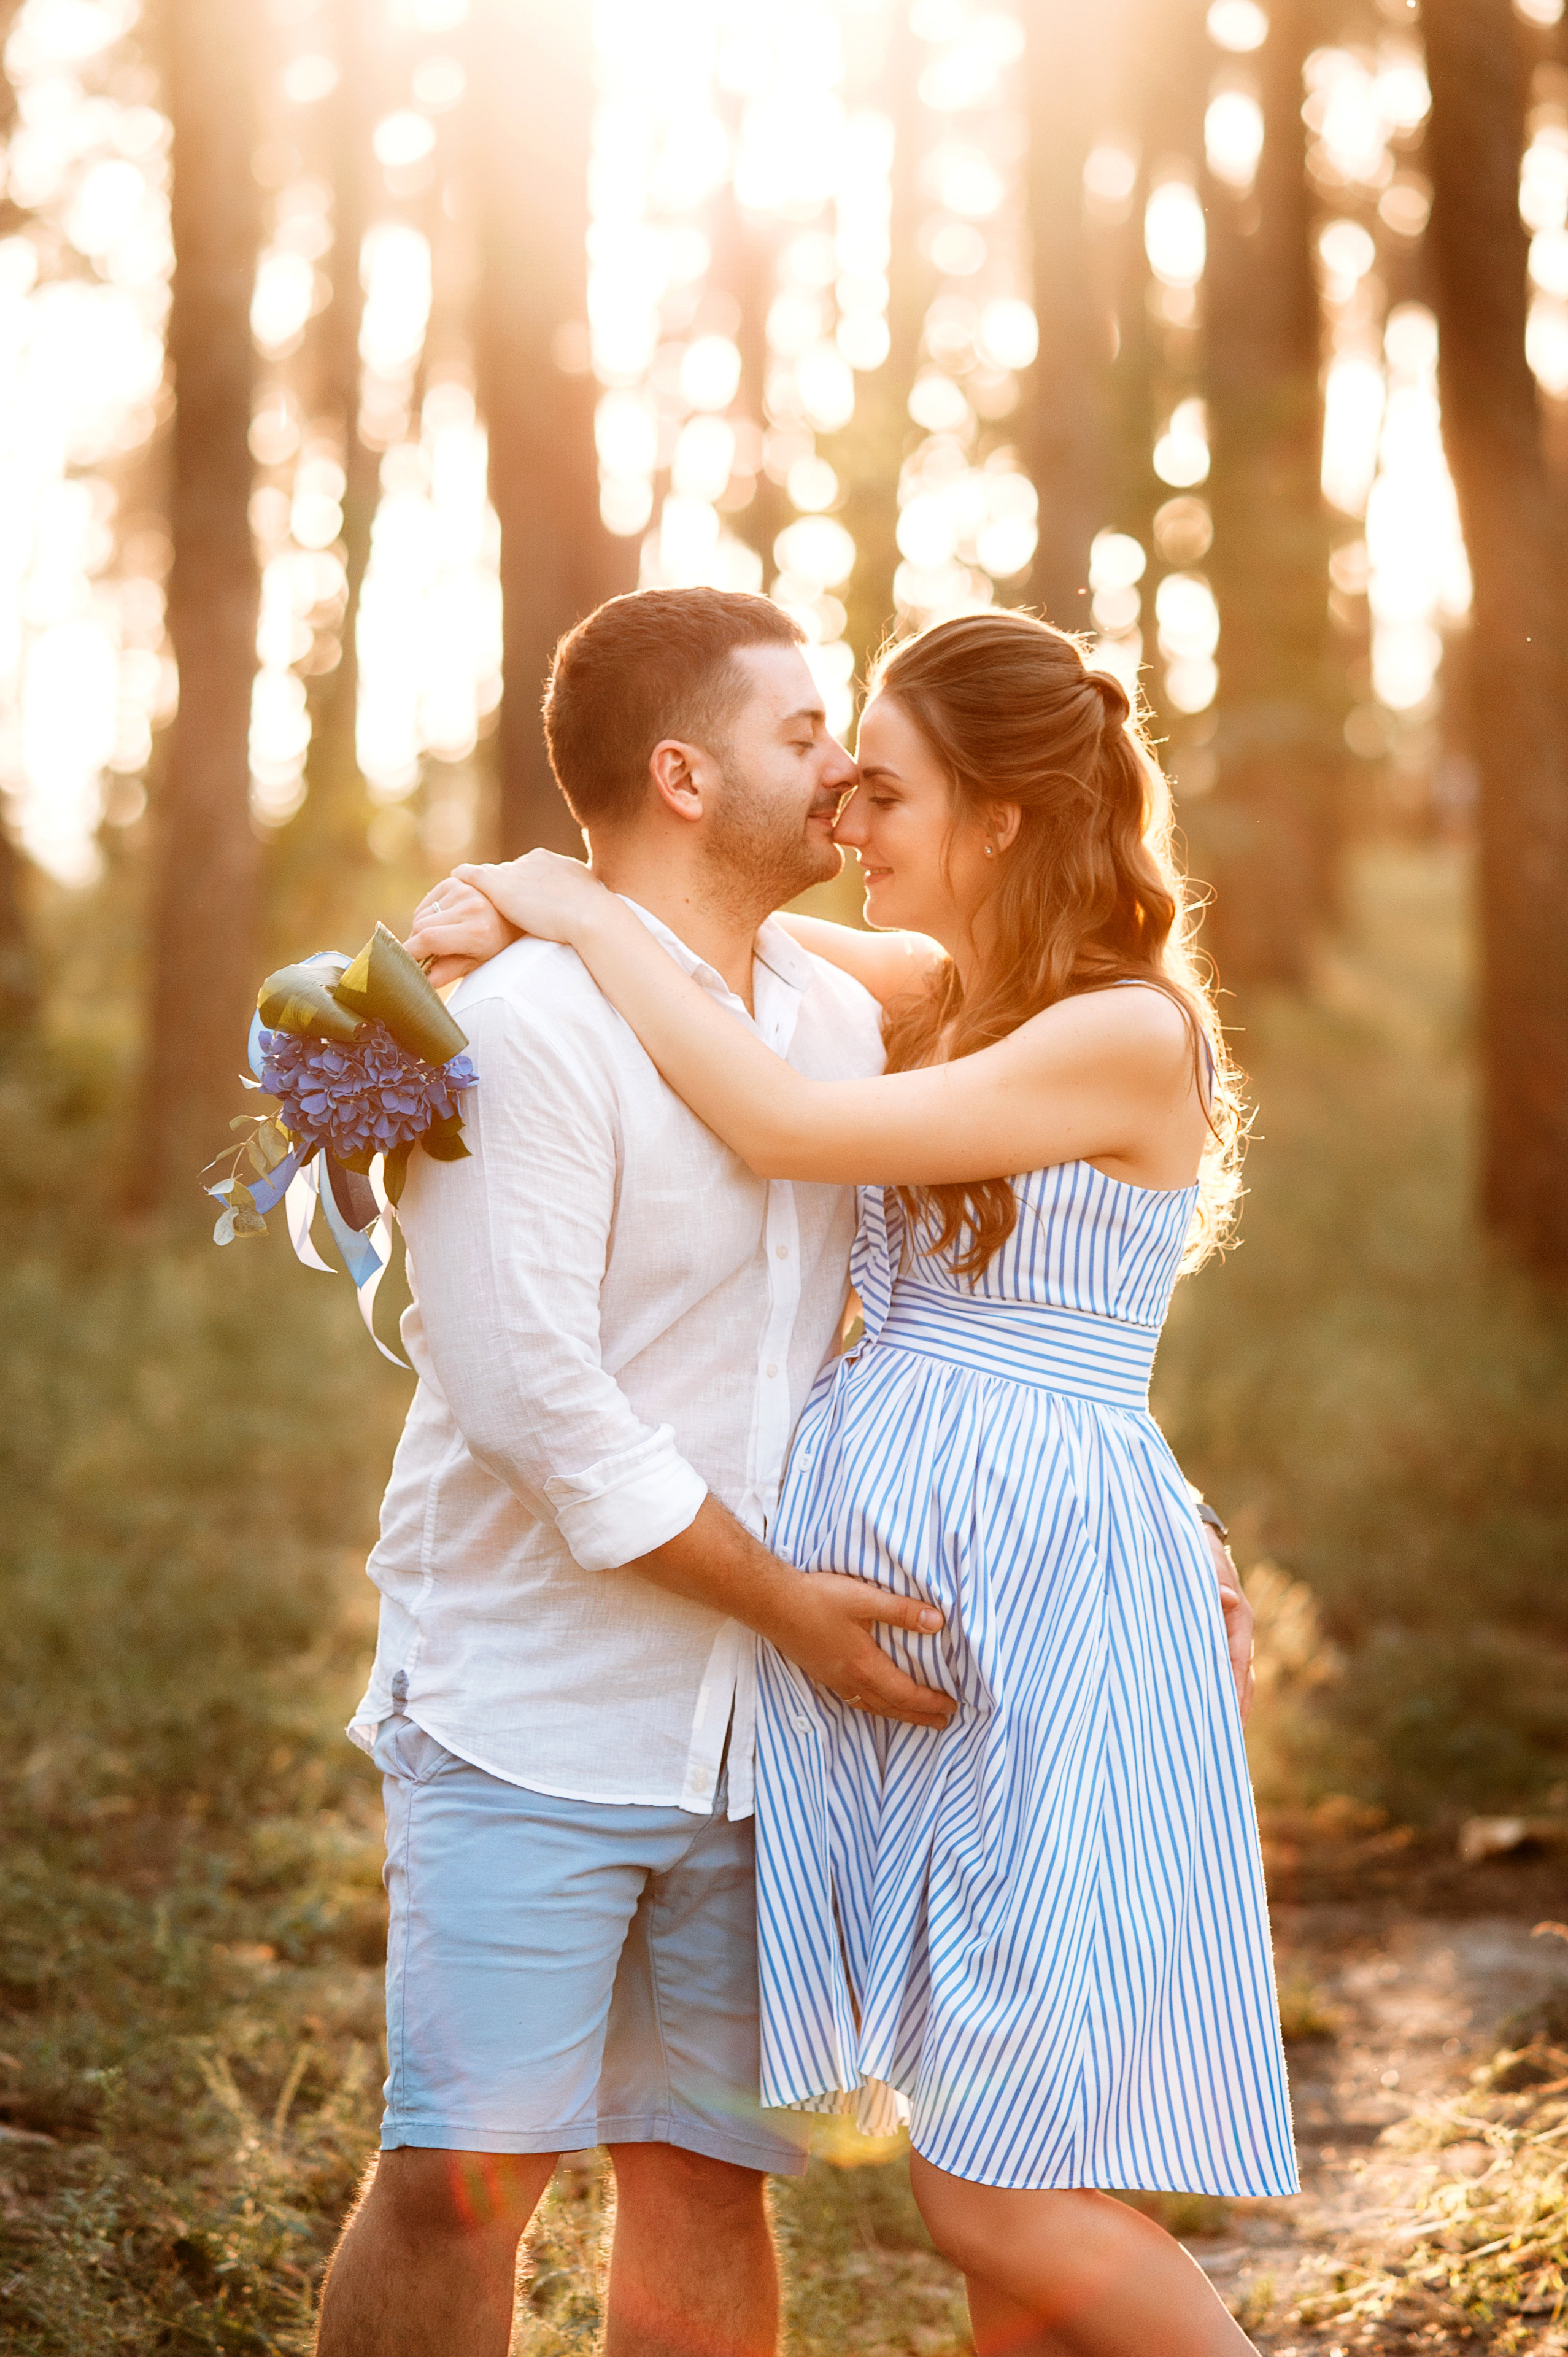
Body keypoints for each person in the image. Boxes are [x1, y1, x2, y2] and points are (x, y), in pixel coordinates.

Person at [419, 606, 1294, 2357]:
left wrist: (564, 900)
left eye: (881, 791)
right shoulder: (951, 994)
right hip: (946, 1606)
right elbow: (735, 975)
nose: (844, 820)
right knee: (994, 2155)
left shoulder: (1119, 1032)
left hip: (1034, 1600)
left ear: (997, 817)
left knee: (990, 2186)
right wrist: (500, 915)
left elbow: (783, 1123)